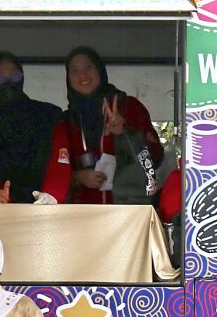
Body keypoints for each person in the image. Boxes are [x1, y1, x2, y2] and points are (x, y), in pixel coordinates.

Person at [51, 46, 163, 205]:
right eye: (74, 70)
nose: (82, 75)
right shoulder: (67, 121)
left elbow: (154, 159)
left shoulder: (128, 107)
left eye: (88, 67)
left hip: (127, 210)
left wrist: (124, 133)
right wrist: (77, 177)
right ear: (68, 78)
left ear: (100, 71)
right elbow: (53, 171)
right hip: (83, 216)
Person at [0, 52, 65, 205]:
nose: (8, 82)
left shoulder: (48, 115)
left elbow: (61, 158)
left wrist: (53, 194)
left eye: (14, 76)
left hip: (45, 211)